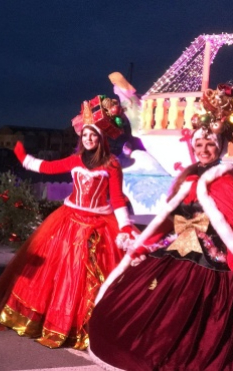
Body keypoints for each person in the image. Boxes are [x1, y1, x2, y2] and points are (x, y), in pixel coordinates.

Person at [89, 84, 233, 370]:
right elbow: (168, 221)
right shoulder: (186, 180)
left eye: (209, 145)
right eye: (199, 145)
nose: (203, 150)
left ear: (220, 146)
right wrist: (142, 244)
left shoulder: (228, 183)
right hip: (175, 254)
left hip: (211, 266)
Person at [0, 95, 134, 349]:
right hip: (69, 221)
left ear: (101, 138)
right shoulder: (76, 160)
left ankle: (89, 328)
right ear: (81, 138)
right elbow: (48, 167)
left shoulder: (112, 164)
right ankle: (56, 323)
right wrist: (23, 157)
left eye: (93, 135)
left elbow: (116, 198)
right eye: (85, 135)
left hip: (99, 225)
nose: (89, 139)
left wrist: (124, 227)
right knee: (60, 277)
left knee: (91, 280)